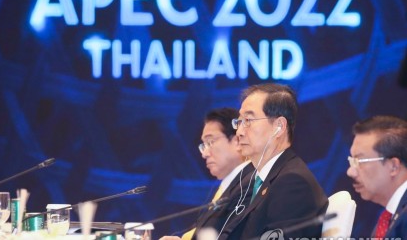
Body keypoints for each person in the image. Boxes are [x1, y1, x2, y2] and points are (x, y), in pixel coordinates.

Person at [218, 83, 328, 239]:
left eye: (248, 120)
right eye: (239, 122)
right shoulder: (253, 179)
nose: (239, 132)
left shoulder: (293, 183)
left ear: (279, 126)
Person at [160, 107, 254, 240]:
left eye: (211, 142)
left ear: (237, 140)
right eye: (203, 145)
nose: (204, 154)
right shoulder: (228, 186)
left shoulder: (251, 185)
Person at [347, 115, 407, 239]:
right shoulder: (389, 219)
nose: (350, 172)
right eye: (352, 161)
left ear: (393, 166)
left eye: (360, 161)